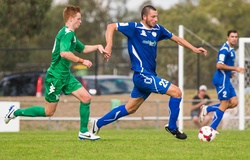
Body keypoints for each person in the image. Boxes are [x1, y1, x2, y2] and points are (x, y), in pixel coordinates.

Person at [90, 5, 207, 140]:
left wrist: (194, 48)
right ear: (144, 17)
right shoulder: (134, 28)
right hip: (142, 75)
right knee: (177, 92)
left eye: (157, 16)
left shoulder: (158, 29)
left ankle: (96, 123)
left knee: (130, 109)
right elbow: (111, 26)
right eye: (153, 16)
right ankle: (172, 127)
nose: (156, 19)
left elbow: (177, 39)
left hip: (148, 76)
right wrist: (109, 45)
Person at [4, 5, 107, 140]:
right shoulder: (66, 34)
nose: (80, 21)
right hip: (56, 77)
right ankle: (15, 112)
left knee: (86, 97)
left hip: (66, 76)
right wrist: (82, 61)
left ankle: (83, 132)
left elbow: (83, 48)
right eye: (78, 19)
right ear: (71, 19)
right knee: (49, 112)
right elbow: (64, 53)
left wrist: (98, 46)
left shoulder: (72, 36)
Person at [199, 30, 245, 133]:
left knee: (234, 103)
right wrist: (236, 68)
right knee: (224, 104)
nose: (234, 38)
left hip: (226, 80)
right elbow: (219, 65)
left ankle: (207, 109)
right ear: (227, 38)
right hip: (221, 80)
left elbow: (225, 66)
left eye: (236, 36)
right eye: (232, 36)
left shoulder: (231, 50)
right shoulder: (224, 50)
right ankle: (212, 128)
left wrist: (230, 73)